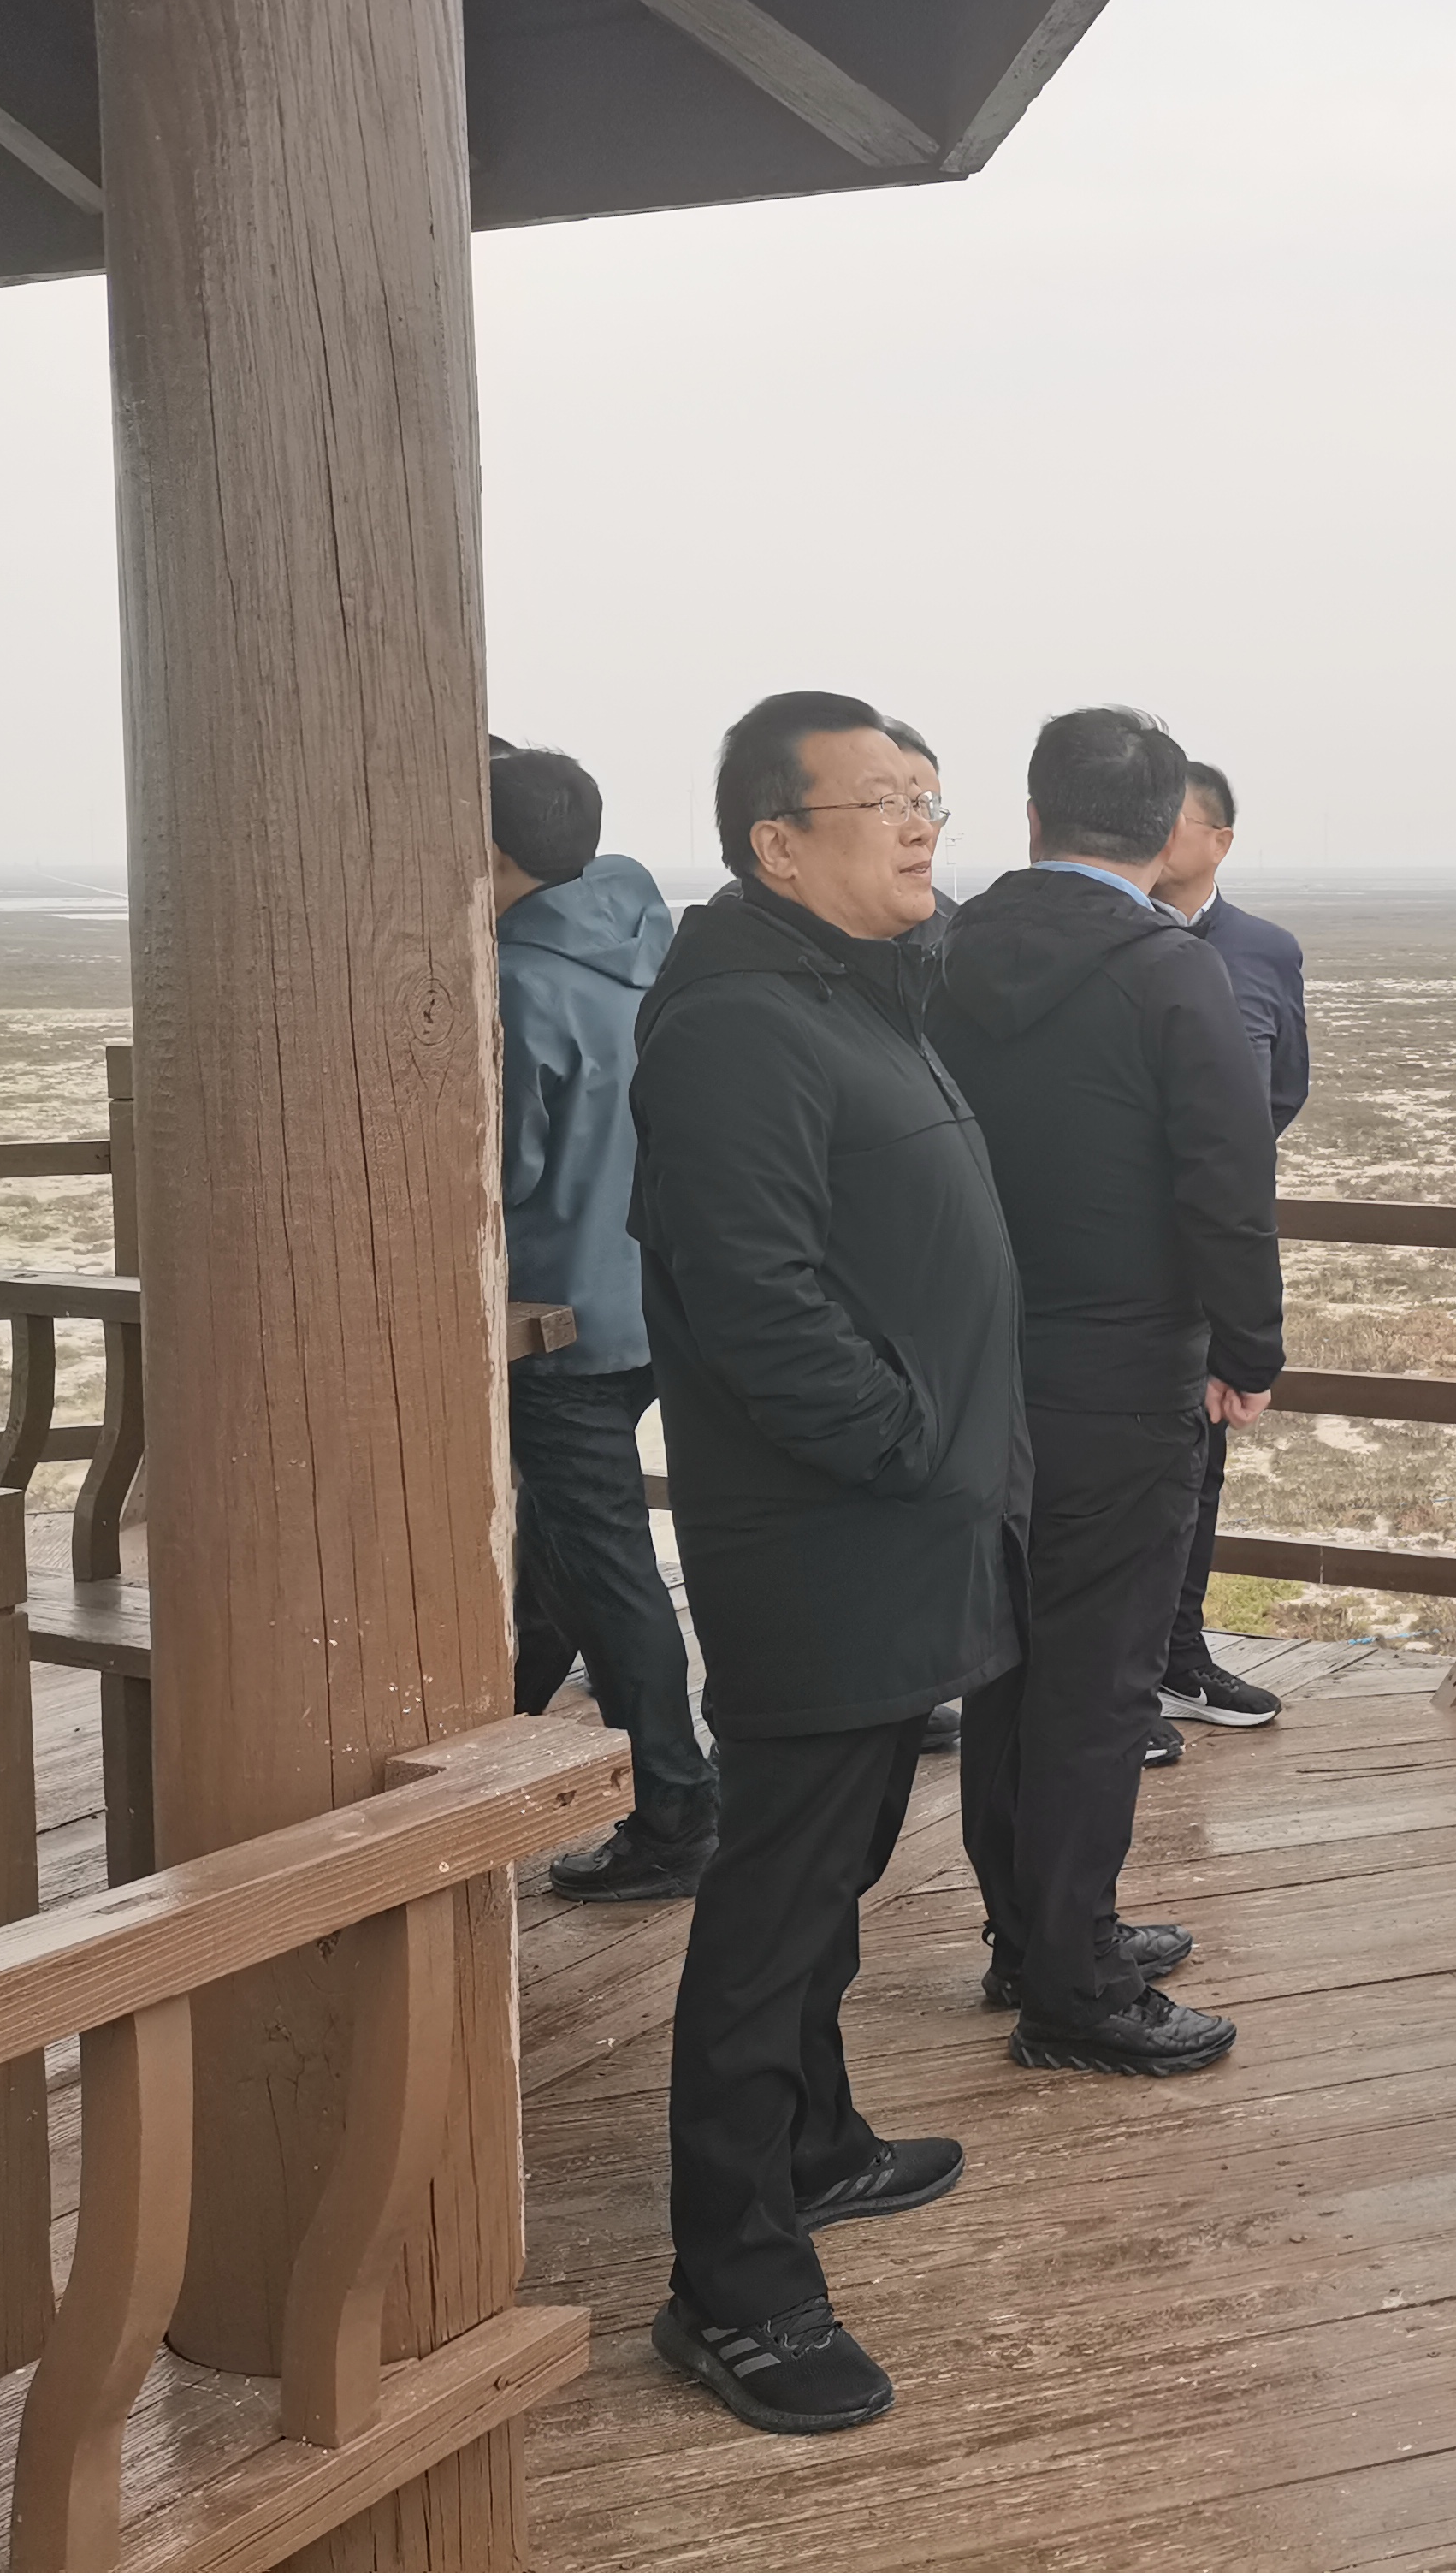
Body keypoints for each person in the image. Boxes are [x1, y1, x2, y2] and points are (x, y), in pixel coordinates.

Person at [631, 692, 1025, 2433]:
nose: (921, 823)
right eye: (881, 801)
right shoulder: (736, 1027)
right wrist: (904, 1441)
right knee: (775, 1899)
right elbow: (757, 1295)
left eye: (929, 794)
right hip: (823, 1536)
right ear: (776, 845)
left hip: (900, 1525)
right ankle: (732, 2286)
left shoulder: (852, 995)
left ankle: (816, 2140)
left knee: (841, 1859)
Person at [929, 708, 1282, 2078]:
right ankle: (1074, 1986)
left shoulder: (945, 951)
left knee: (1010, 1669)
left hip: (975, 1370)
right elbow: (1226, 1182)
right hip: (1127, 1376)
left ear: (1033, 818)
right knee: (1100, 1683)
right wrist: (1248, 1350)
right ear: (1166, 830)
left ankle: (1032, 1934)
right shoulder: (1172, 974)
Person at [490, 743, 714, 1902]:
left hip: (555, 1320)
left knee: (605, 1562)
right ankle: (496, 1732)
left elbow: (506, 1171)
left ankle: (677, 1807)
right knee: (568, 1548)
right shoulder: (649, 948)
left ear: (486, 851)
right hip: (655, 1298)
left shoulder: (514, 982)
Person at [1145, 759, 1306, 1746]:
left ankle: (1177, 1658)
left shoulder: (1264, 950)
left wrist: (1221, 1178)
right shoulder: (1109, 944)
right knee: (1106, 1481)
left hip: (1211, 1263)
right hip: (1106, 1270)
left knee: (1198, 1468)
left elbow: (1282, 1091)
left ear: (1220, 842)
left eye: (1174, 820)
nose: (1154, 833)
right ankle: (1107, 1685)